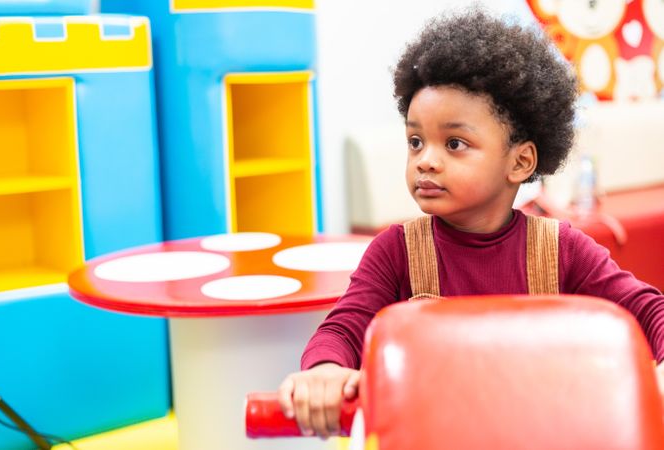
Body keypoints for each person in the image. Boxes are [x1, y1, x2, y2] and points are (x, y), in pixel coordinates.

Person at [277, 8, 664, 439]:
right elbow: (342, 329)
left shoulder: (562, 249)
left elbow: (651, 312)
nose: (425, 159)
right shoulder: (397, 252)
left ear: (519, 161)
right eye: (415, 141)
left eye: (455, 143)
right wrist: (326, 372)